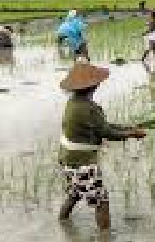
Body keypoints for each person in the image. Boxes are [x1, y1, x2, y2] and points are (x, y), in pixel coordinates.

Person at [58, 62, 147, 230]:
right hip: (82, 162)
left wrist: (128, 128)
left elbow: (103, 127)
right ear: (94, 86)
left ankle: (62, 223)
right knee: (101, 201)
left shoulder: (73, 103)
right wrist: (132, 134)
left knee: (74, 193)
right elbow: (107, 133)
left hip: (67, 159)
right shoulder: (88, 108)